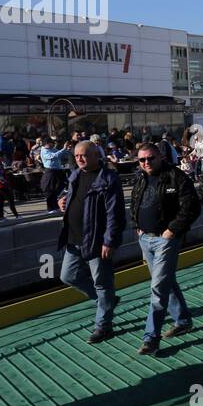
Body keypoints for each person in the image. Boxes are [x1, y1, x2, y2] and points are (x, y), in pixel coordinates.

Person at [129, 142, 200, 355]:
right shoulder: (140, 177)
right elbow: (134, 201)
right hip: (146, 238)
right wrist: (137, 226)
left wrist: (172, 230)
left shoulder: (175, 177)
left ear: (160, 156)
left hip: (165, 240)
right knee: (165, 281)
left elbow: (192, 206)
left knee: (158, 288)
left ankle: (151, 337)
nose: (146, 163)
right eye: (142, 160)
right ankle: (183, 319)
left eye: (150, 158)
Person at [58, 141, 125, 343]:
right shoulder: (75, 175)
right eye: (76, 155)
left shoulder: (108, 178)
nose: (79, 159)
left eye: (84, 155)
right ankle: (106, 302)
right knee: (68, 276)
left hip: (96, 240)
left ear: (97, 156)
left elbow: (115, 213)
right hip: (73, 239)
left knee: (102, 283)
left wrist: (109, 241)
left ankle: (103, 326)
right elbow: (72, 197)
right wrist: (62, 201)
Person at [39, 137, 71, 213]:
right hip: (50, 171)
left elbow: (60, 154)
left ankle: (56, 205)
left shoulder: (52, 149)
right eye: (51, 143)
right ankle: (50, 208)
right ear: (46, 143)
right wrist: (63, 149)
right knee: (50, 189)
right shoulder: (44, 151)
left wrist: (67, 150)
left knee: (62, 185)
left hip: (58, 170)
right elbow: (53, 156)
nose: (53, 144)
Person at [0, 151, 20, 220]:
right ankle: (16, 215)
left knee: (0, 202)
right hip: (2, 185)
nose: (1, 157)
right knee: (10, 200)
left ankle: (1, 217)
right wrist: (6, 182)